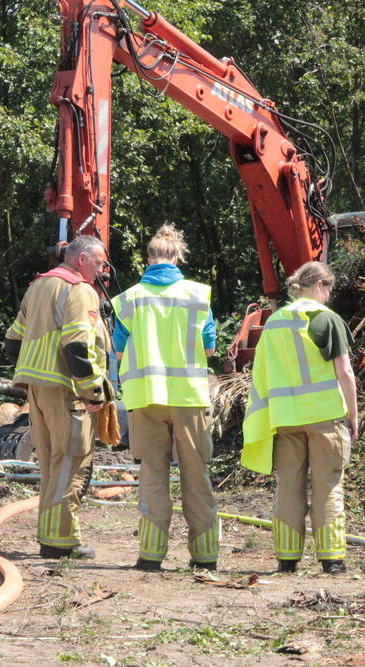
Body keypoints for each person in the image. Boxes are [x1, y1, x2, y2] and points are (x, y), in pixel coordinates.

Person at [111, 224, 220, 571]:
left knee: (153, 477)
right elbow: (210, 345)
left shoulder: (130, 298)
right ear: (177, 255)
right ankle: (205, 557)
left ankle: (151, 555)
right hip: (188, 397)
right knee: (195, 474)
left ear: (149, 258)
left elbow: (117, 345)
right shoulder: (197, 294)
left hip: (145, 399)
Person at [241, 261, 359, 574]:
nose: (329, 296)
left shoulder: (275, 322)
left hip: (285, 419)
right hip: (324, 416)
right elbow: (345, 372)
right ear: (320, 284)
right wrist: (353, 414)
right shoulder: (326, 319)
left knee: (289, 487)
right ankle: (332, 560)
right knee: (327, 487)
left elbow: (261, 374)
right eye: (329, 288)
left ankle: (287, 559)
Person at [5, 235, 111, 559]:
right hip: (68, 391)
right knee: (70, 463)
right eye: (99, 262)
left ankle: (51, 537)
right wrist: (95, 391)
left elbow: (12, 340)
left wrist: (36, 374)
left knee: (52, 464)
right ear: (81, 260)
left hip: (37, 392)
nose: (103, 270)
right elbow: (77, 347)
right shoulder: (79, 291)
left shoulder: (38, 286)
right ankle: (60, 542)